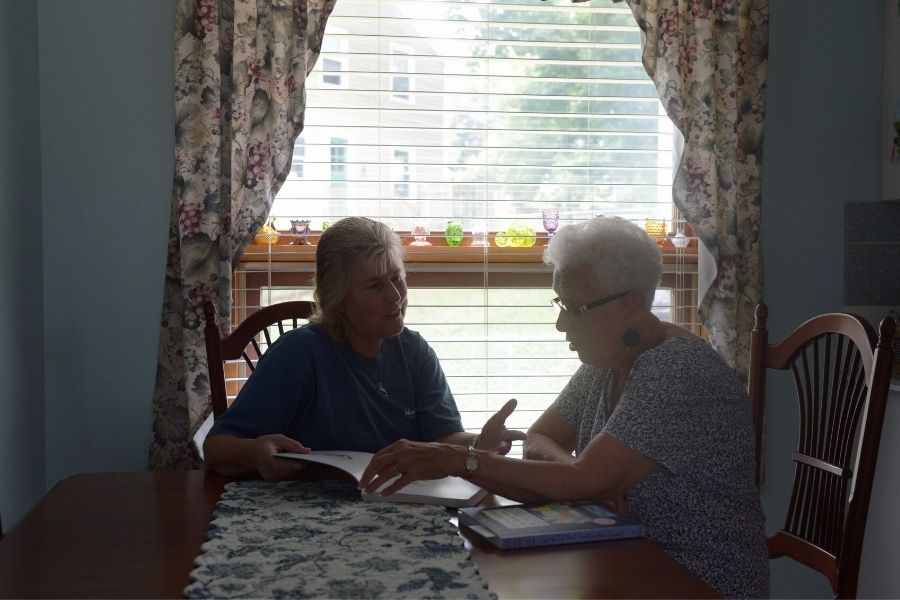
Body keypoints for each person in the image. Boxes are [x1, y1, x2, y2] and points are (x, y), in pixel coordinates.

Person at [360, 216, 770, 598]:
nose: (561, 324)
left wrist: (456, 460)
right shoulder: (610, 359)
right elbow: (541, 439)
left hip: (696, 579)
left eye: (574, 308)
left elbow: (584, 477)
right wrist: (584, 485)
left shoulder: (677, 371)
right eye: (559, 304)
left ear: (632, 305)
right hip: (625, 561)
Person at [204, 217, 525, 481]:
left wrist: (477, 445)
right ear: (338, 299)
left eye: (397, 278)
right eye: (374, 286)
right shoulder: (299, 355)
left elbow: (441, 439)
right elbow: (217, 447)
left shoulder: (414, 352)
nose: (395, 296)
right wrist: (255, 452)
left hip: (398, 513)